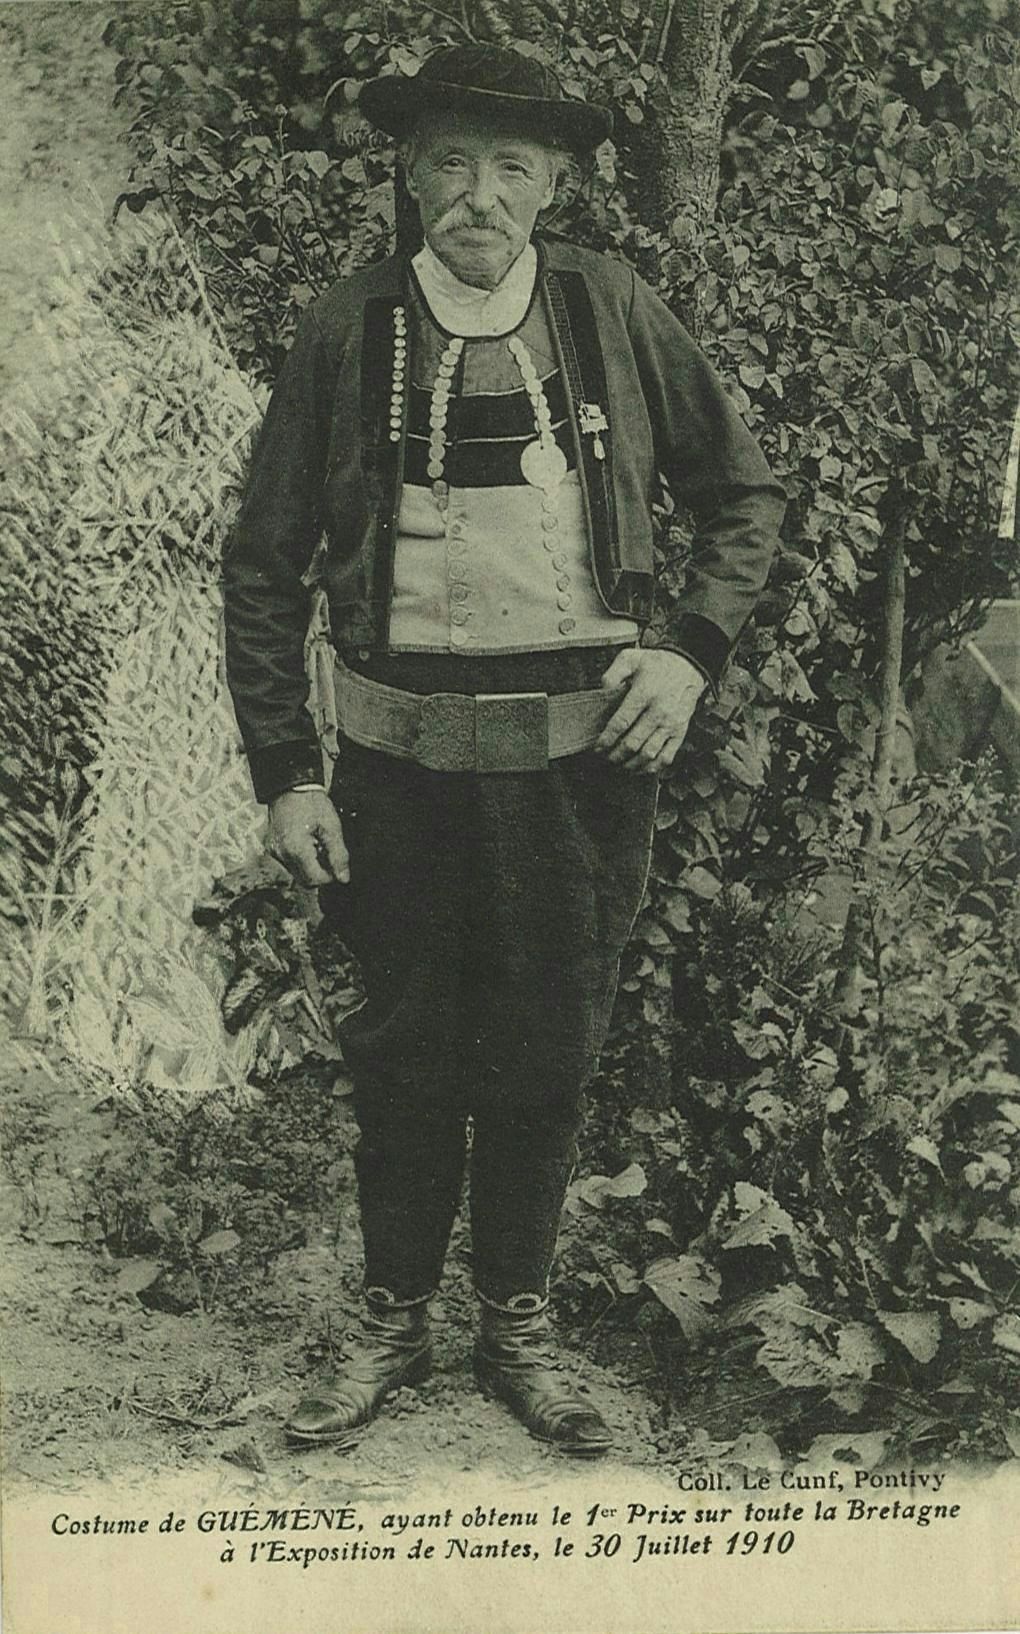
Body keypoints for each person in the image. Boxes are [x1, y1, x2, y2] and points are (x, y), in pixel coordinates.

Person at [223, 43, 785, 1457]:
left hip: (578, 775)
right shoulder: (348, 328)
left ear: (555, 185)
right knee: (404, 1049)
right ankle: (393, 1315)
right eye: (455, 164)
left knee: (547, 1050)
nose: (482, 195)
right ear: (411, 175)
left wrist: (688, 652)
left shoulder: (610, 308)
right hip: (396, 772)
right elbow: (262, 562)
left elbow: (743, 496)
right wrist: (288, 771)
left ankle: (518, 1322)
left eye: (514, 168)